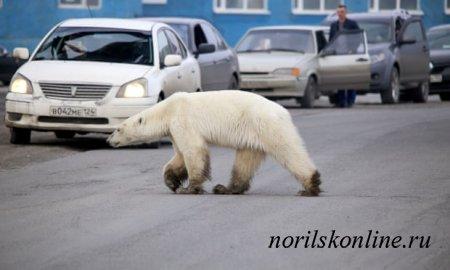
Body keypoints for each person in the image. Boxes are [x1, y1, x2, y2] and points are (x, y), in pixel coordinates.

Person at [329, 4, 359, 108]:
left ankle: (350, 101)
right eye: (338, 12)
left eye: (342, 12)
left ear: (346, 12)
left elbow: (358, 38)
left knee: (350, 78)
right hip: (338, 55)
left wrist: (352, 49)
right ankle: (341, 101)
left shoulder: (352, 24)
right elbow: (331, 40)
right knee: (340, 78)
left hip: (350, 54)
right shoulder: (334, 25)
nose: (340, 14)